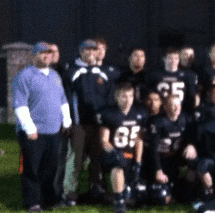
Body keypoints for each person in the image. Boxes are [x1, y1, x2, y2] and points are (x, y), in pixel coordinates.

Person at [12, 42, 73, 212]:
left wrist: (66, 121)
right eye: (42, 53)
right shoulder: (24, 76)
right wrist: (29, 128)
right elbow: (19, 104)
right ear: (34, 55)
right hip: (33, 133)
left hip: (53, 131)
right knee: (32, 169)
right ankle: (32, 202)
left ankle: (47, 200)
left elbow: (62, 100)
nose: (46, 56)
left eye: (48, 53)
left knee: (50, 169)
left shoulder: (54, 75)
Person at [63, 39, 114, 205]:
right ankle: (69, 193)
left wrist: (105, 118)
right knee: (75, 159)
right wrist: (69, 121)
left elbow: (108, 97)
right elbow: (68, 99)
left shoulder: (102, 72)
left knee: (97, 158)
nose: (91, 53)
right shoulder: (73, 71)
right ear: (81, 51)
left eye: (94, 50)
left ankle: (97, 188)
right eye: (88, 50)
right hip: (80, 124)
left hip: (98, 124)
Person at [98, 82, 147, 213]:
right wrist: (114, 152)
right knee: (118, 166)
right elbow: (104, 140)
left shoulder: (139, 113)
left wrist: (138, 161)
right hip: (114, 155)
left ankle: (128, 194)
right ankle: (118, 201)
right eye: (124, 96)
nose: (128, 100)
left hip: (130, 155)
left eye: (130, 96)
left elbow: (139, 140)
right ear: (117, 97)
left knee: (141, 194)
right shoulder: (109, 114)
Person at [145, 94, 197, 204]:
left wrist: (191, 145)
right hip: (160, 160)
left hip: (176, 159)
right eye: (172, 105)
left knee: (186, 195)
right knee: (161, 198)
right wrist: (158, 170)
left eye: (178, 104)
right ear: (165, 107)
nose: (176, 108)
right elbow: (153, 149)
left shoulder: (186, 119)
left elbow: (193, 138)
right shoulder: (157, 122)